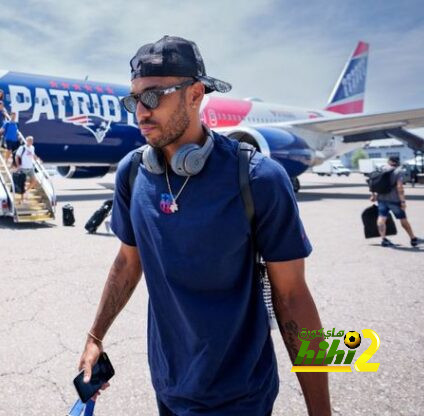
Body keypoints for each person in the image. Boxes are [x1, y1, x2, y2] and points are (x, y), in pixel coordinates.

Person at [77, 36, 330, 416]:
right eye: (134, 100)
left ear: (195, 94)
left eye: (153, 96)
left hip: (240, 396)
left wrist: (320, 410)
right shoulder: (133, 173)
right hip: (167, 385)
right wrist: (95, 337)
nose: (140, 113)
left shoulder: (258, 179)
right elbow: (128, 263)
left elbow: (293, 299)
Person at [370, 156, 424, 247]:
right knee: (403, 219)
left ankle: (384, 239)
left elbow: (372, 182)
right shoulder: (398, 171)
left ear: (389, 161)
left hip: (381, 199)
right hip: (394, 200)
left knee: (381, 218)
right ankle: (413, 239)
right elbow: (399, 187)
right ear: (397, 162)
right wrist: (403, 202)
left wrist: (373, 195)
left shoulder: (381, 169)